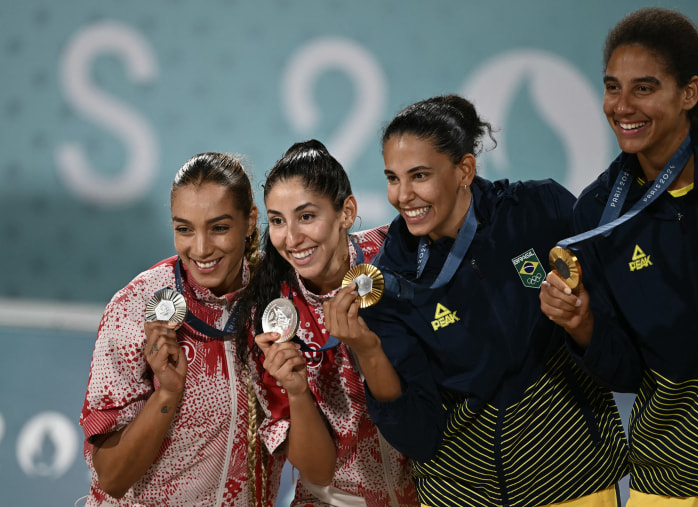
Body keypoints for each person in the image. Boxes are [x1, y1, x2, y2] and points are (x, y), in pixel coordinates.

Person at [324, 94, 629, 507]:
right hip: (462, 495)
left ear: (463, 170)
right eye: (393, 178)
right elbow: (419, 435)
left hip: (575, 483)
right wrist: (369, 351)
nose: (403, 195)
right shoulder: (390, 281)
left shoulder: (539, 211)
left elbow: (620, 352)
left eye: (419, 175)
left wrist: (581, 323)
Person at [539, 7, 698, 506]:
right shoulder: (599, 210)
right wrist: (582, 325)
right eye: (612, 87)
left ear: (689, 93)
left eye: (643, 88)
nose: (621, 105)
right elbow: (627, 372)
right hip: (662, 484)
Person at [80, 152, 283, 506]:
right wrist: (167, 394)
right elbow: (111, 476)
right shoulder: (133, 307)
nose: (201, 249)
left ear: (250, 220)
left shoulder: (277, 299)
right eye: (184, 229)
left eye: (219, 227)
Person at [237, 139, 418, 506]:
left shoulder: (398, 253)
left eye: (306, 216)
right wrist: (298, 392)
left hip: (433, 494)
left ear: (346, 212)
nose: (291, 239)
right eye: (277, 221)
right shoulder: (268, 315)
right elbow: (317, 471)